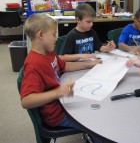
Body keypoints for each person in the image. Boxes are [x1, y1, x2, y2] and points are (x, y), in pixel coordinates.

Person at [20, 13, 102, 143]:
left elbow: (64, 65)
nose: (56, 38)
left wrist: (89, 64)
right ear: (41, 35)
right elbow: (26, 101)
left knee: (96, 108)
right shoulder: (34, 64)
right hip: (57, 114)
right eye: (53, 34)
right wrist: (57, 92)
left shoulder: (49, 52)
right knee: (97, 125)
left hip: (64, 103)